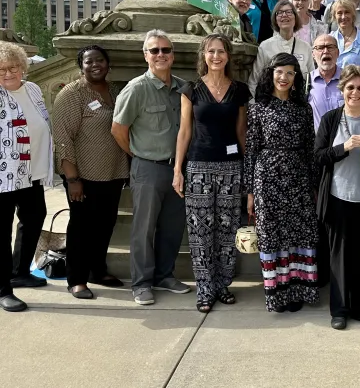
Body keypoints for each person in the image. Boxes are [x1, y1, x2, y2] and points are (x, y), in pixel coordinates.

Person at [112, 30, 190, 306]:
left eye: (165, 50)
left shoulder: (183, 87)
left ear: (173, 54)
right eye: (154, 50)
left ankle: (164, 275)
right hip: (148, 168)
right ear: (145, 55)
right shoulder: (136, 89)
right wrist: (136, 155)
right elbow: (118, 129)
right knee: (143, 229)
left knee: (172, 226)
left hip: (178, 169)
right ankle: (142, 283)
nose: (160, 55)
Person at [172, 34, 248, 313]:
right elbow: (184, 131)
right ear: (203, 56)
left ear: (228, 56)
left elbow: (241, 132)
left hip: (230, 168)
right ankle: (204, 288)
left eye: (221, 52)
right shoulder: (190, 89)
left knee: (227, 230)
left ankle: (222, 284)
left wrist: (247, 169)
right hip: (198, 167)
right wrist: (178, 170)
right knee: (200, 232)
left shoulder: (239, 90)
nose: (216, 56)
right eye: (211, 52)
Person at [53, 45, 129, 300]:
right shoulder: (72, 94)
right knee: (81, 228)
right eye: (89, 61)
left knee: (105, 224)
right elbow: (63, 139)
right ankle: (77, 279)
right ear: (81, 66)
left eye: (100, 60)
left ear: (108, 65)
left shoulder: (115, 91)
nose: (95, 65)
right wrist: (72, 179)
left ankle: (98, 270)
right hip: (83, 176)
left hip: (114, 171)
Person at [245, 53, 319, 313]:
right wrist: (250, 191)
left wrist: (313, 183)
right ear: (271, 73)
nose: (284, 77)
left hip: (298, 176)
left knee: (299, 232)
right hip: (267, 177)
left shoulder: (303, 108)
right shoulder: (258, 107)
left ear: (296, 77)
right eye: (279, 71)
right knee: (272, 235)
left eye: (289, 72)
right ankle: (277, 293)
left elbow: (310, 148)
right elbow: (251, 149)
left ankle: (297, 290)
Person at [315, 65, 360, 330]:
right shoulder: (331, 119)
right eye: (350, 88)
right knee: (339, 257)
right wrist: (343, 147)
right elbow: (318, 157)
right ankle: (340, 310)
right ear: (342, 90)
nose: (355, 93)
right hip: (338, 196)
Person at [0, 43, 52, 312]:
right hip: (3, 176)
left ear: (23, 67)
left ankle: (19, 271)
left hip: (31, 171)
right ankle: (3, 289)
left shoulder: (32, 89)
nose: (8, 73)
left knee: (34, 217)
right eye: (1, 70)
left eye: (13, 67)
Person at [248, 0, 313, 97]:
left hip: (298, 105)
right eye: (280, 13)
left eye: (289, 12)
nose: (284, 15)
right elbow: (254, 80)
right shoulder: (265, 46)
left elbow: (312, 80)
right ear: (275, 19)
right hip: (271, 106)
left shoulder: (305, 47)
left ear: (295, 18)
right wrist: (256, 106)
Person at [329, 0, 360, 78]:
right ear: (334, 16)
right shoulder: (329, 38)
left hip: (355, 87)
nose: (343, 17)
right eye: (339, 13)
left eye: (347, 12)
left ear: (353, 14)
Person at [308, 34, 343, 132]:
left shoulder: (349, 79)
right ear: (313, 54)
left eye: (330, 47)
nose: (326, 51)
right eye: (320, 48)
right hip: (316, 144)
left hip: (345, 143)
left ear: (338, 52)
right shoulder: (305, 81)